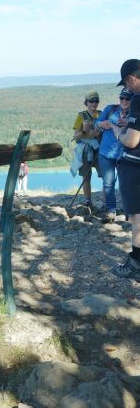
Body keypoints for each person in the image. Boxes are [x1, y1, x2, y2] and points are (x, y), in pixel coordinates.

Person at [110, 59, 140, 281]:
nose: (127, 90)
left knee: (137, 218)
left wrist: (118, 132)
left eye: (127, 85)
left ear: (131, 78)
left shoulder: (138, 100)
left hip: (134, 166)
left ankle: (135, 263)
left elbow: (131, 141)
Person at [95, 87, 133, 223]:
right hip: (105, 154)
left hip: (124, 155)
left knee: (126, 184)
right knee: (108, 183)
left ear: (132, 100)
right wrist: (101, 123)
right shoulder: (110, 109)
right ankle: (111, 210)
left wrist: (128, 124)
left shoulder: (134, 114)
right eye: (121, 98)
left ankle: (130, 211)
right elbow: (96, 123)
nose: (123, 101)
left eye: (127, 98)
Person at [70, 90, 102, 208]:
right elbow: (75, 136)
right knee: (86, 176)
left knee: (105, 176)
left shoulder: (102, 114)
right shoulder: (81, 116)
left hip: (98, 149)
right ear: (86, 102)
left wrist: (98, 134)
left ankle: (105, 202)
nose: (94, 103)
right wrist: (84, 130)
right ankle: (88, 201)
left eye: (96, 101)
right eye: (91, 101)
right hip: (85, 150)